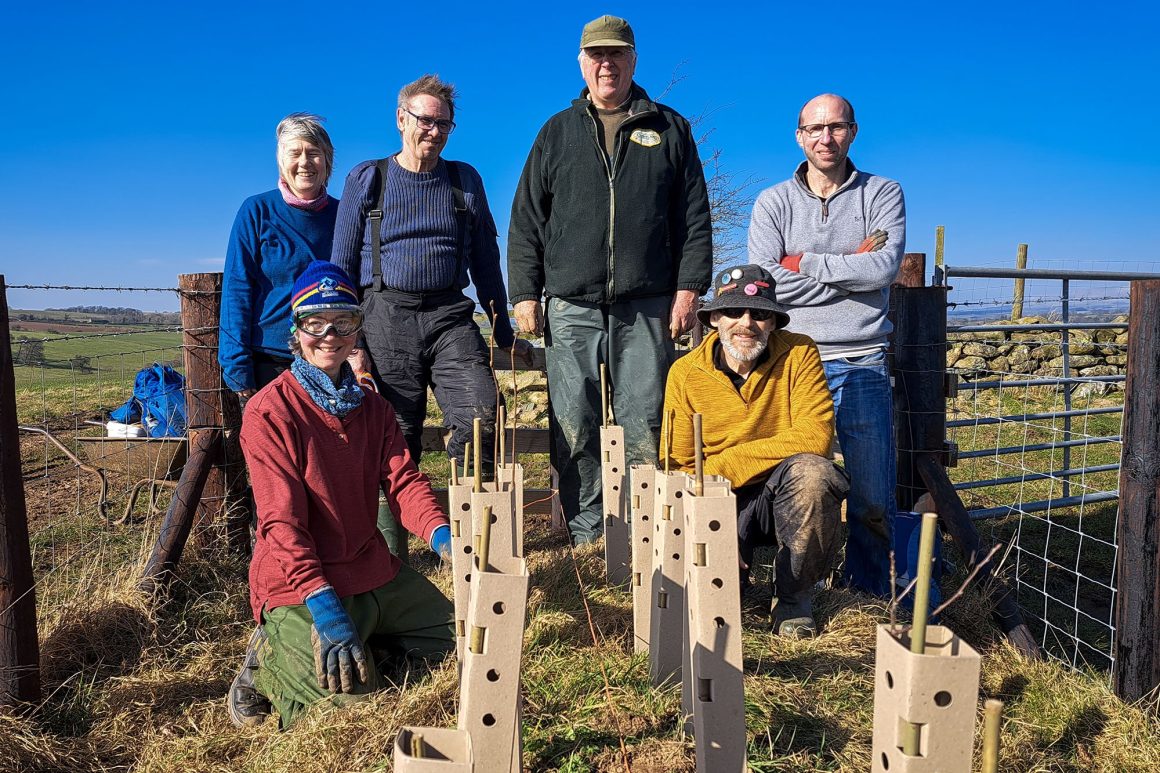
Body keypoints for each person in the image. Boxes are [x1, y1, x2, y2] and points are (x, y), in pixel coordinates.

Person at [508, 14, 712, 545]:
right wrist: (525, 292)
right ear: (582, 62)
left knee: (648, 422)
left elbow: (694, 215)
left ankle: (651, 536)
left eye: (616, 54)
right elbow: (527, 217)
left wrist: (690, 286)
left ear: (633, 61)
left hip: (647, 305)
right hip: (571, 307)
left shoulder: (668, 127)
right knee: (574, 425)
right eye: (596, 55)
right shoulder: (556, 131)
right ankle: (587, 533)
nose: (606, 64)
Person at [228, 261, 454, 729]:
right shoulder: (269, 411)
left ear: (357, 329)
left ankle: (368, 640)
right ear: (296, 330)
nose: (329, 334)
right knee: (352, 716)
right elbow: (280, 521)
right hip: (299, 585)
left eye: (343, 320)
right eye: (314, 322)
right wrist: (319, 597)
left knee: (462, 641)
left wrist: (442, 536)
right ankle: (269, 656)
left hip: (369, 568)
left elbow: (404, 482)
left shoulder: (374, 408)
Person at [331, 75, 529, 475]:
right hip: (385, 315)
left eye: (444, 124)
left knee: (481, 417)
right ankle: (395, 536)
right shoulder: (369, 179)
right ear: (401, 119)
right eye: (426, 121)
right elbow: (341, 268)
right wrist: (351, 344)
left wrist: (503, 332)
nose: (434, 132)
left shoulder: (464, 180)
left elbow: (486, 260)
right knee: (396, 431)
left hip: (449, 317)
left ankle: (473, 531)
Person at [748, 93, 906, 597]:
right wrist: (847, 265)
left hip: (862, 360)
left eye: (836, 127)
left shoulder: (882, 193)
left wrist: (804, 261)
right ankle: (792, 585)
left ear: (853, 132)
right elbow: (763, 285)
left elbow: (882, 268)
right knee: (785, 478)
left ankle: (867, 592)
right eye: (814, 129)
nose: (825, 138)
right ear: (799, 136)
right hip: (791, 361)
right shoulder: (773, 202)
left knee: (872, 493)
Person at [662, 264, 849, 637]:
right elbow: (677, 464)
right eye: (733, 311)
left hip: (780, 489)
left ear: (773, 322)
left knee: (814, 473)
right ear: (714, 318)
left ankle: (794, 598)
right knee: (721, 591)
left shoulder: (800, 353)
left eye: (760, 314)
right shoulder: (684, 373)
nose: (745, 323)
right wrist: (714, 514)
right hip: (718, 496)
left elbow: (816, 437)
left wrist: (725, 463)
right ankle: (727, 578)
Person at [219, 113, 339, 403]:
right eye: (294, 153)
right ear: (280, 158)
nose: (304, 162)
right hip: (268, 361)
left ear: (328, 159)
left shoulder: (344, 214)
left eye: (314, 153)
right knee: (272, 447)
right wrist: (236, 365)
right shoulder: (256, 211)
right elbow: (237, 289)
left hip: (329, 358)